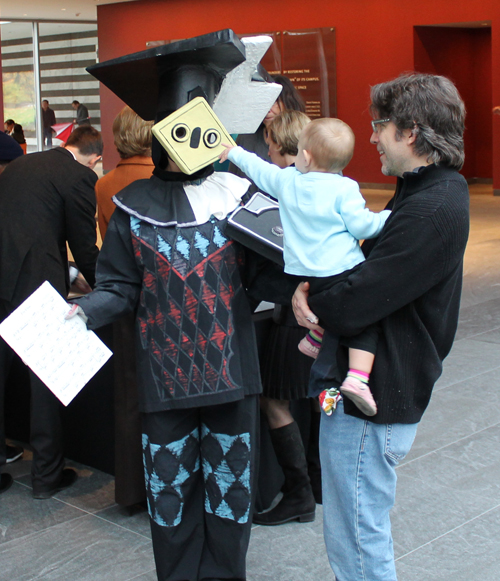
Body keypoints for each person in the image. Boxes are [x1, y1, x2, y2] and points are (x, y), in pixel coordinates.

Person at [67, 30, 273, 581]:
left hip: (231, 377)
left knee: (230, 499)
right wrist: (84, 312)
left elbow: (269, 275)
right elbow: (119, 284)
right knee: (171, 499)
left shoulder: (242, 194)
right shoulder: (132, 208)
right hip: (165, 383)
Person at [291, 73, 469, 581]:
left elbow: (355, 303)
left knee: (358, 539)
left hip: (376, 401)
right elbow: (362, 270)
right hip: (380, 388)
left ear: (410, 132)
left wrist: (313, 286)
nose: (370, 137)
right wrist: (312, 285)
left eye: (379, 126)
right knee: (356, 530)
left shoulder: (431, 207)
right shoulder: (426, 191)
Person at [221, 117, 390, 417]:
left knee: (326, 309)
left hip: (308, 277)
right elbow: (363, 227)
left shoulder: (288, 181)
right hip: (343, 270)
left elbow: (260, 171)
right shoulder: (345, 188)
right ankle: (357, 379)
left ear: (306, 156)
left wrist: (233, 152)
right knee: (365, 321)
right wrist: (387, 217)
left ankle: (315, 338)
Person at [0, 125, 102, 498]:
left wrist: (69, 274)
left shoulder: (21, 166)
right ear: (96, 159)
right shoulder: (78, 176)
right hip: (34, 282)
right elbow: (84, 246)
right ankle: (45, 476)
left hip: (4, 275)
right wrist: (105, 287)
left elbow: (27, 225)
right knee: (45, 379)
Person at [95, 105, 154, 507]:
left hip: (122, 302)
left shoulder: (106, 184)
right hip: (161, 299)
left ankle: (131, 489)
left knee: (129, 396)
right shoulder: (160, 180)